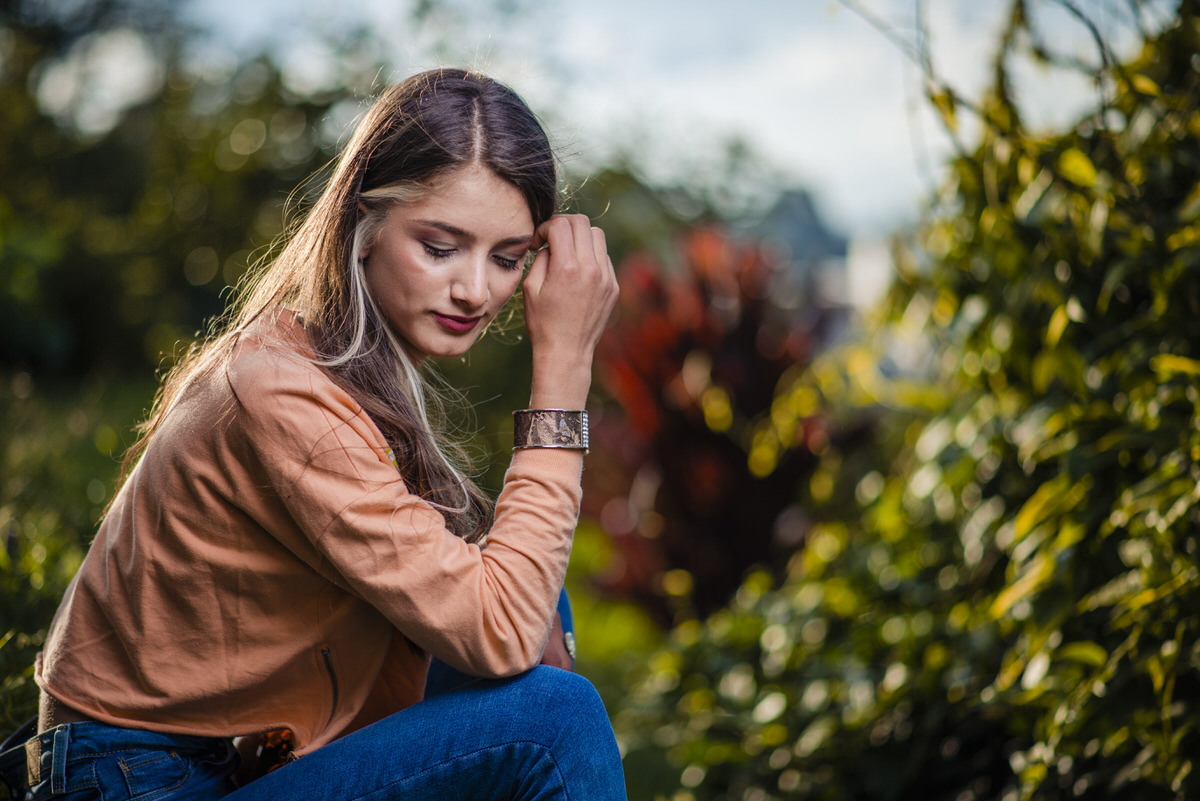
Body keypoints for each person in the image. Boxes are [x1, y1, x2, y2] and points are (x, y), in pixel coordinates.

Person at [0, 67, 625, 800]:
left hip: (222, 764)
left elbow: (508, 619)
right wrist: (564, 366)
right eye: (441, 245)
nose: (476, 290)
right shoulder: (285, 389)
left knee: (533, 590)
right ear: (365, 227)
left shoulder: (343, 375)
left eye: (507, 258)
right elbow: (503, 632)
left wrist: (527, 624)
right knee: (555, 715)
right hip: (143, 782)